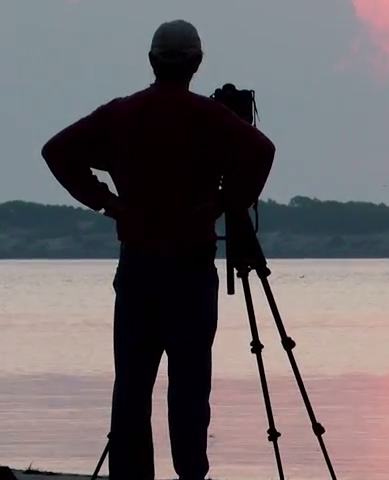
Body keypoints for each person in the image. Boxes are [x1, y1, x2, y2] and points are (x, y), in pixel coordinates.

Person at [41, 20, 276, 480]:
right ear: (197, 64)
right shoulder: (210, 119)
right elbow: (262, 151)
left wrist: (109, 203)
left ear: (151, 61)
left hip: (139, 269)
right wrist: (223, 203)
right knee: (190, 387)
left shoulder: (121, 115)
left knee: (131, 386)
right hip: (190, 270)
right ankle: (191, 473)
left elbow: (56, 151)